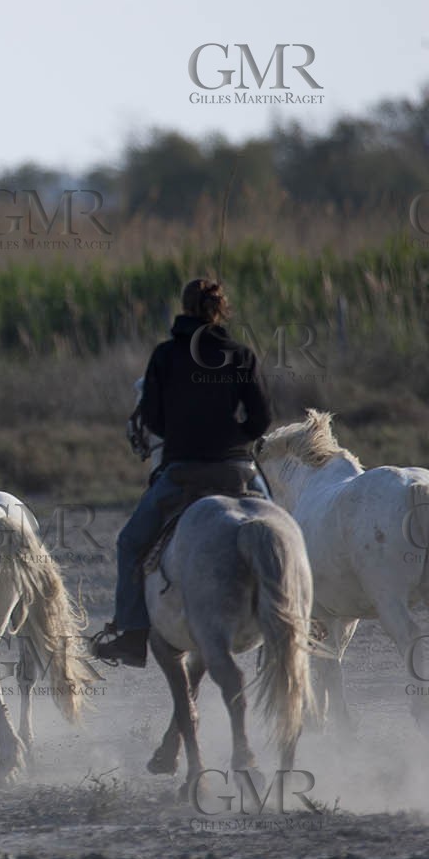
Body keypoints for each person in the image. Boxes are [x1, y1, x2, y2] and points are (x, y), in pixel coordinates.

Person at [91, 278, 272, 668]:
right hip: (236, 469)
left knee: (130, 543)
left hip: (183, 471)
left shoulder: (165, 356)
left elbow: (152, 418)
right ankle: (300, 619)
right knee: (284, 528)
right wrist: (232, 438)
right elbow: (261, 419)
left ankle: (133, 634)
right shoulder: (241, 354)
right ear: (221, 309)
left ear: (186, 308)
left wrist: (184, 434)